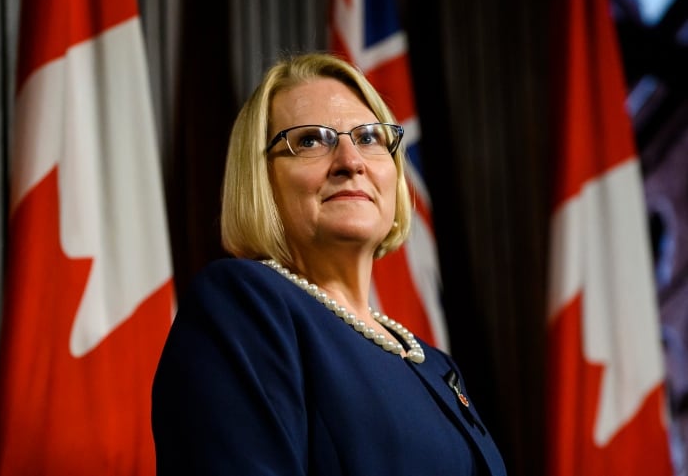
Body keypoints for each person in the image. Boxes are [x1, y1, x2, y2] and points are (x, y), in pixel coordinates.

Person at [151, 52, 508, 475]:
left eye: (370, 138)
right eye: (310, 140)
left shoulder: (435, 363)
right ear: (260, 178)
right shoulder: (244, 306)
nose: (351, 162)